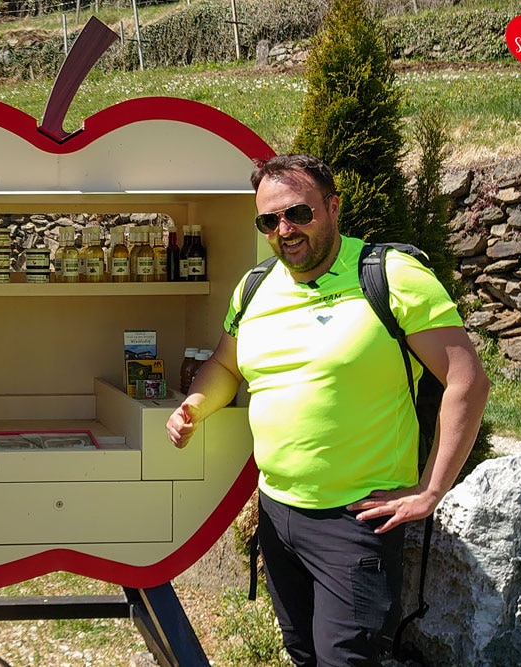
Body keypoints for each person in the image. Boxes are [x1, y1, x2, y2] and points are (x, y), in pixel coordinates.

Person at [166, 154, 489, 666]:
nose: (284, 230)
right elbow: (226, 367)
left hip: (355, 521)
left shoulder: (391, 275)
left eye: (298, 213)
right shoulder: (254, 287)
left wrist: (431, 489)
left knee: (344, 660)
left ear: (333, 207)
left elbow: (467, 381)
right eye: (268, 221)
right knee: (303, 654)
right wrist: (194, 407)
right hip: (277, 512)